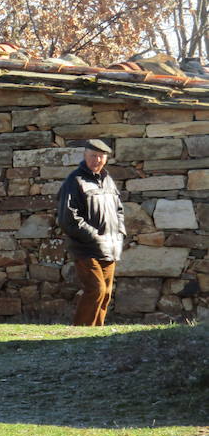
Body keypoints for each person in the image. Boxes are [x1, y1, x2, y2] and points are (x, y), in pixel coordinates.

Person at [57, 139, 126, 326]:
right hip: (86, 248)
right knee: (96, 289)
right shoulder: (75, 180)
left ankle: (96, 333)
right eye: (93, 156)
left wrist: (120, 233)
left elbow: (118, 211)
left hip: (110, 246)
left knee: (106, 292)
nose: (97, 160)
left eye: (101, 156)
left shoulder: (108, 181)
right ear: (85, 156)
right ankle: (80, 331)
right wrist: (95, 236)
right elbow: (68, 218)